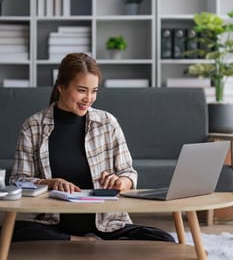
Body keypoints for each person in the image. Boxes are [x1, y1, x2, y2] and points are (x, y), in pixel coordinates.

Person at [9, 53, 174, 243]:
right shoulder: (33, 126)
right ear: (61, 87)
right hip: (53, 224)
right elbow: (17, 181)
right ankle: (79, 242)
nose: (89, 98)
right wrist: (51, 183)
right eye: (81, 90)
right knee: (10, 232)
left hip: (106, 224)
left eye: (94, 91)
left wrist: (120, 182)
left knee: (163, 239)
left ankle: (85, 244)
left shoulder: (107, 123)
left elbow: (129, 173)